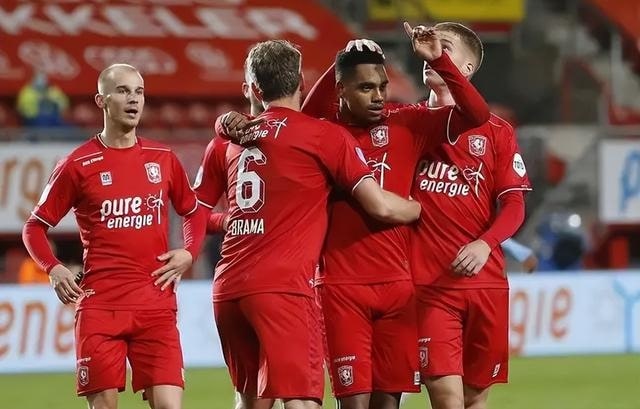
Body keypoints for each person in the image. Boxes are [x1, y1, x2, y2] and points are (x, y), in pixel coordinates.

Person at [194, 40, 422, 409]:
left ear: (253, 89)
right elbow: (380, 205)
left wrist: (228, 220)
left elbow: (193, 211)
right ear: (301, 81)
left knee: (249, 402)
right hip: (284, 288)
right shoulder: (323, 135)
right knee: (301, 401)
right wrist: (416, 209)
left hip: (228, 288)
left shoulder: (228, 141)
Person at [298, 24, 490, 409]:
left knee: (388, 404)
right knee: (353, 403)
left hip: (398, 288)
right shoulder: (326, 132)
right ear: (341, 90)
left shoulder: (407, 123)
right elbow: (305, 116)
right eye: (366, 88)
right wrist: (340, 60)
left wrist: (439, 60)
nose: (378, 97)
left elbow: (476, 115)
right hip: (341, 285)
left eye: (383, 87)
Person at [21, 63, 206, 409]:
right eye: (122, 91)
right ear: (101, 101)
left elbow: (193, 210)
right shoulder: (77, 164)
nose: (133, 99)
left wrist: (189, 252)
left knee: (169, 405)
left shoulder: (163, 157)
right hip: (101, 307)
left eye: (139, 92)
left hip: (155, 305)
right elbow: (34, 227)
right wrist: (53, 267)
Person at [408, 23, 532, 409]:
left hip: (485, 283)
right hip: (429, 284)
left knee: (475, 396)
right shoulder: (404, 123)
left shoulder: (497, 131)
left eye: (444, 47)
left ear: (466, 68)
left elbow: (514, 205)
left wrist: (485, 243)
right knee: (446, 397)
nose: (432, 52)